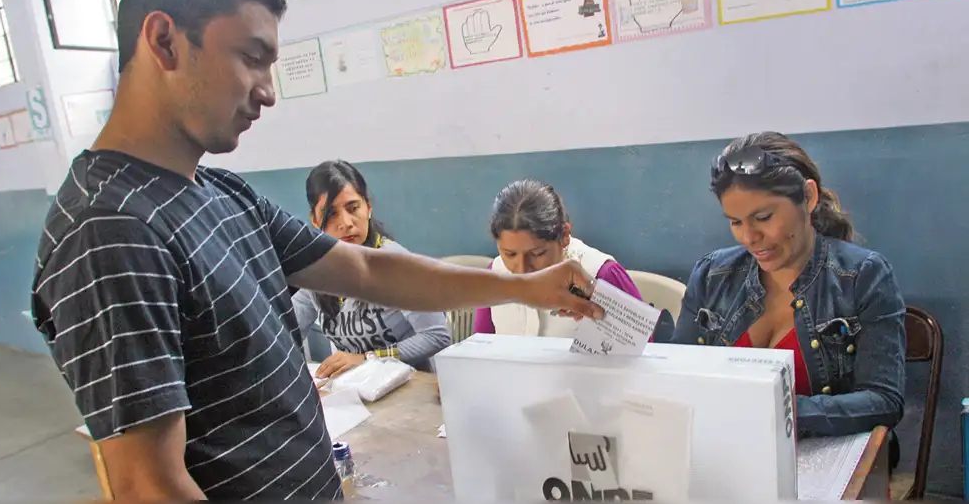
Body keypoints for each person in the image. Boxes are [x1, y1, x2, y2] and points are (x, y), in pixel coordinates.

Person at [29, 0, 602, 502]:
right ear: (164, 41)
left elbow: (367, 270)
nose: (268, 92)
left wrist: (521, 286)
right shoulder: (108, 231)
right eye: (251, 58)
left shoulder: (221, 192)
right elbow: (150, 492)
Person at [667, 132, 905, 438]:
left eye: (763, 217)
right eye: (735, 222)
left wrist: (778, 412)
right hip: (726, 455)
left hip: (825, 461)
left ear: (808, 197)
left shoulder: (864, 276)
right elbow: (676, 375)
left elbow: (884, 400)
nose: (749, 238)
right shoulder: (712, 274)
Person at [293, 160, 452, 376]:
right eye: (331, 214)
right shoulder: (315, 270)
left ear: (368, 207)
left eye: (353, 208)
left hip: (409, 389)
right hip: (356, 392)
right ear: (314, 219)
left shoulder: (395, 264)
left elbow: (437, 336)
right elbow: (288, 331)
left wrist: (367, 359)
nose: (346, 223)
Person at [474, 179, 642, 338]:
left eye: (537, 253)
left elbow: (644, 352)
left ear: (564, 236)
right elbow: (481, 349)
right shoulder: (494, 274)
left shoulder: (602, 275)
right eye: (510, 254)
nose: (522, 269)